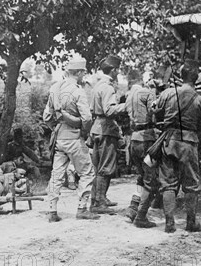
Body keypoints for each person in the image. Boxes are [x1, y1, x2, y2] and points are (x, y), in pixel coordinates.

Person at [155, 60, 201, 233]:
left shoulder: (167, 94)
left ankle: (169, 222)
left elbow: (157, 114)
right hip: (189, 142)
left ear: (180, 75)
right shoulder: (200, 100)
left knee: (168, 183)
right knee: (192, 184)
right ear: (196, 78)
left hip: (169, 140)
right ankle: (191, 222)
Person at [42, 58, 100, 222]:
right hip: (75, 137)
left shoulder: (54, 88)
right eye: (84, 72)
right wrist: (84, 132)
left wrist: (55, 128)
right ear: (80, 72)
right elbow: (87, 118)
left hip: (60, 137)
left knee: (57, 174)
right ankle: (82, 209)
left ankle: (52, 211)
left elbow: (46, 116)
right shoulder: (78, 91)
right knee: (87, 172)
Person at [90, 54, 126, 212]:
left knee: (98, 166)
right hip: (106, 129)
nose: (118, 72)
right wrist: (126, 105)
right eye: (117, 69)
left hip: (97, 127)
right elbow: (110, 110)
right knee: (106, 166)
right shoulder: (108, 87)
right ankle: (100, 202)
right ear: (112, 70)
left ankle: (97, 199)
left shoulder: (97, 85)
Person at [124, 69, 159, 228]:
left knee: (141, 176)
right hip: (147, 139)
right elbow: (155, 111)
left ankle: (132, 210)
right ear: (142, 80)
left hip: (134, 139)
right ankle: (141, 216)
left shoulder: (129, 95)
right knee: (151, 179)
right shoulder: (147, 93)